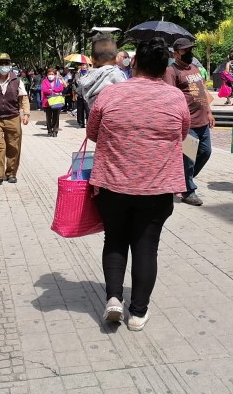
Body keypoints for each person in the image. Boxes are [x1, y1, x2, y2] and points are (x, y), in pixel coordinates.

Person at [87, 37, 189, 332]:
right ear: (164, 66)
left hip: (112, 185)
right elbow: (181, 135)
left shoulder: (110, 95)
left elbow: (93, 133)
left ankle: (114, 298)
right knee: (147, 247)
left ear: (134, 62)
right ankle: (138, 313)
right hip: (157, 189)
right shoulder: (175, 98)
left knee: (115, 240)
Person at [163, 38, 214, 206]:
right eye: (185, 50)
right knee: (188, 158)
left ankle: (184, 180)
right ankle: (188, 191)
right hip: (187, 123)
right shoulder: (171, 71)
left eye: (190, 49)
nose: (189, 52)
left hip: (202, 121)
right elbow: (170, 97)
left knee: (205, 153)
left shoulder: (194, 68)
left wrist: (209, 112)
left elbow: (202, 91)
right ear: (175, 53)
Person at [0, 53, 30, 187]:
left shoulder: (17, 80)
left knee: (14, 146)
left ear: (10, 65)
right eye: (1, 63)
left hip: (13, 117)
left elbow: (24, 98)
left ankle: (11, 173)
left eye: (6, 63)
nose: (4, 66)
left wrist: (26, 114)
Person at [78, 35, 127, 110]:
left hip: (95, 113)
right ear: (116, 59)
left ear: (91, 59)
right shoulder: (115, 74)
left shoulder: (88, 78)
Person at [41, 68, 65, 136]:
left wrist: (51, 90)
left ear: (54, 75)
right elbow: (44, 90)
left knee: (56, 117)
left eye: (52, 74)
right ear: (47, 74)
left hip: (56, 101)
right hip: (47, 102)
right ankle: (49, 130)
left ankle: (55, 130)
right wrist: (53, 91)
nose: (51, 75)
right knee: (48, 117)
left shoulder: (57, 81)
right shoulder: (44, 81)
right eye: (49, 74)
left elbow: (61, 89)